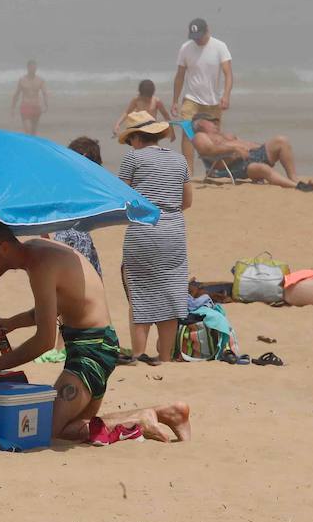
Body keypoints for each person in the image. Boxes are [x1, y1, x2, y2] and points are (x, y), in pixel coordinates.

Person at [0, 216, 192, 444]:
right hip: (95, 345)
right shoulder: (38, 251)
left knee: (48, 430)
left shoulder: (40, 265)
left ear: (4, 247)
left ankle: (141, 418)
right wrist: (11, 323)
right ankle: (167, 412)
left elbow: (45, 342)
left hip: (90, 350)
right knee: (78, 427)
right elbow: (56, 305)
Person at [115, 112, 192, 363]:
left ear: (137, 137)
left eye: (130, 140)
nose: (130, 145)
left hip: (143, 230)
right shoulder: (180, 160)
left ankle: (138, 354)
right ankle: (165, 357)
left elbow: (121, 197)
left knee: (140, 293)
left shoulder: (133, 158)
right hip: (174, 232)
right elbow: (187, 202)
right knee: (170, 293)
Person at [171, 19, 233, 174]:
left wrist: (226, 95)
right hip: (191, 99)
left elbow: (228, 74)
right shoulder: (185, 48)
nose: (197, 39)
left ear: (207, 31)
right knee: (187, 132)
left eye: (200, 36)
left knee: (215, 137)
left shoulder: (220, 47)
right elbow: (180, 76)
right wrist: (175, 101)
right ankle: (189, 172)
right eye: (194, 36)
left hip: (213, 101)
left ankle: (214, 170)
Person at [51, 139, 105, 277]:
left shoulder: (60, 179)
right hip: (76, 239)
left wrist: (46, 238)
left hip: (62, 238)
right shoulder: (83, 182)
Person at [190, 120, 300, 188]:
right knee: (262, 168)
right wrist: (233, 148)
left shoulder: (223, 135)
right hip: (238, 166)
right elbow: (209, 150)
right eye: (210, 121)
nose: (215, 123)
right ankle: (296, 186)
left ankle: (293, 178)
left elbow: (245, 143)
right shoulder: (200, 136)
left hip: (254, 154)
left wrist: (256, 147)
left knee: (281, 140)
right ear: (200, 123)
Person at [11, 61, 49, 135]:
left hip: (36, 107)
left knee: (33, 131)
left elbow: (45, 93)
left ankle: (32, 144)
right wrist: (12, 107)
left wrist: (46, 104)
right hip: (25, 106)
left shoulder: (40, 80)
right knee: (27, 130)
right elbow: (17, 94)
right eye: (32, 67)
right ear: (28, 68)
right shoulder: (22, 80)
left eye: (35, 68)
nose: (33, 69)